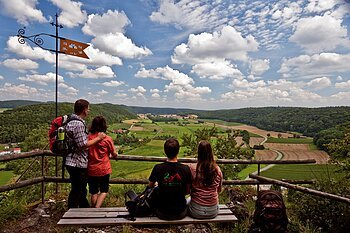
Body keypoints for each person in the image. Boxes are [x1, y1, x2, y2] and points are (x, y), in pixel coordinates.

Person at [65, 99, 106, 209]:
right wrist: (98, 138)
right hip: (77, 162)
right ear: (84, 110)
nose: (89, 111)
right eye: (88, 109)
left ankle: (82, 210)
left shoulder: (71, 120)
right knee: (78, 189)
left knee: (80, 188)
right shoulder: (78, 124)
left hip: (71, 161)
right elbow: (82, 145)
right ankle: (72, 211)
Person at [148, 138, 191, 220]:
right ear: (178, 151)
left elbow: (150, 185)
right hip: (180, 213)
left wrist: (159, 185)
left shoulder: (158, 168)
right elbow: (187, 191)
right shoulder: (185, 169)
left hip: (162, 213)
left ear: (165, 151)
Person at [87, 116, 118, 208]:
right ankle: (96, 209)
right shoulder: (107, 139)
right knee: (104, 190)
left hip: (91, 168)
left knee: (93, 192)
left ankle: (93, 210)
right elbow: (114, 153)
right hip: (104, 168)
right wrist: (114, 156)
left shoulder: (89, 138)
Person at [188, 140, 223, 219]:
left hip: (196, 211)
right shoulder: (217, 170)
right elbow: (219, 190)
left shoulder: (193, 168)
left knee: (187, 200)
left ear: (199, 152)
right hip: (213, 211)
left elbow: (188, 189)